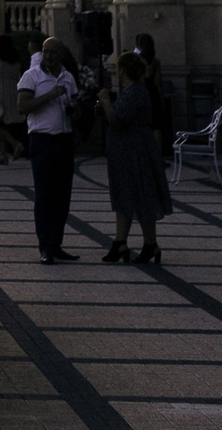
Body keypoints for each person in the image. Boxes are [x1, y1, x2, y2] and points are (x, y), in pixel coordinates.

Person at [98, 50, 169, 265]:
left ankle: (150, 244)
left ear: (124, 71)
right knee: (124, 196)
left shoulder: (136, 92)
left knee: (142, 195)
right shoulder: (132, 91)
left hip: (136, 152)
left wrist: (104, 101)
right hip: (125, 153)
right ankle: (121, 242)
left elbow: (116, 119)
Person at [16, 38, 81, 263]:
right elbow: (22, 106)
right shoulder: (32, 76)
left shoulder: (68, 77)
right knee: (45, 195)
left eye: (53, 52)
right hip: (42, 141)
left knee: (62, 195)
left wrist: (74, 110)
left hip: (64, 139)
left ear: (61, 55)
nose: (49, 56)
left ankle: (56, 244)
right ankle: (45, 246)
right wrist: (49, 96)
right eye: (45, 52)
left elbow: (76, 105)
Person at [133, 32, 173, 158]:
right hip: (154, 94)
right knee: (157, 127)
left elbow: (139, 80)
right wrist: (160, 99)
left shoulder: (138, 61)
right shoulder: (155, 62)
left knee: (143, 126)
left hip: (143, 94)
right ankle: (158, 156)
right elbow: (158, 82)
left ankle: (144, 155)